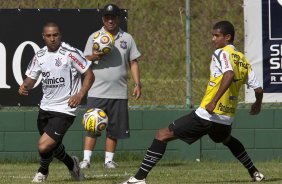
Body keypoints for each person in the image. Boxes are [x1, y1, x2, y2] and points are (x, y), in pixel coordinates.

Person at [122, 20, 265, 184]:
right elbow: (259, 90)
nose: (213, 39)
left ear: (227, 37)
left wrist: (213, 102)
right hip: (226, 117)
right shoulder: (243, 60)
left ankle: (139, 179)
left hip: (208, 114)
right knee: (227, 139)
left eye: (216, 36)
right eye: (212, 35)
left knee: (162, 135)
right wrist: (257, 104)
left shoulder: (221, 53)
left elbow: (229, 75)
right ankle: (254, 172)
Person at [18, 22, 94, 182]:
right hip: (45, 107)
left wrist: (80, 95)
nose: (52, 38)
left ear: (60, 35)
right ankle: (72, 165)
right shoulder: (39, 56)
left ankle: (43, 171)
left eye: (55, 35)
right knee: (53, 145)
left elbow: (89, 74)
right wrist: (25, 86)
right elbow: (31, 79)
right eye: (49, 35)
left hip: (66, 108)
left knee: (44, 145)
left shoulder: (70, 53)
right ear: (43, 37)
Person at [79, 3, 141, 169]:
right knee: (93, 126)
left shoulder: (127, 38)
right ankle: (86, 160)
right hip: (96, 91)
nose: (110, 20)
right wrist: (94, 55)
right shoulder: (95, 37)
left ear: (118, 18)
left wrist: (137, 83)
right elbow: (83, 61)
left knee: (114, 129)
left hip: (119, 92)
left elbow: (133, 62)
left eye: (113, 17)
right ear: (103, 19)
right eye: (107, 17)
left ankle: (109, 161)